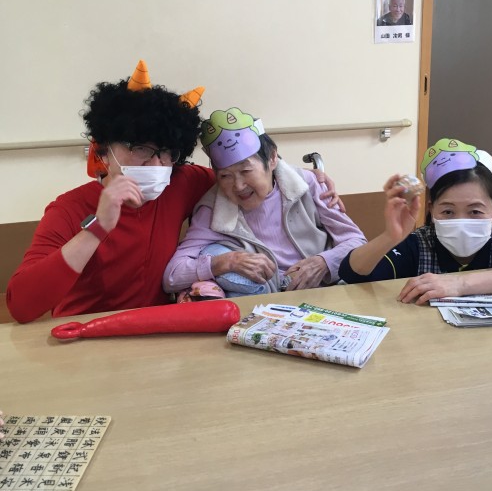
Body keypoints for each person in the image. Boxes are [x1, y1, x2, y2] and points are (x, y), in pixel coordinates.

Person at [7, 63, 342, 324]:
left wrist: (308, 179)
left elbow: (243, 172)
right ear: (104, 151)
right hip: (85, 334)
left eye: (167, 152)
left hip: (159, 329)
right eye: (140, 148)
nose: (156, 164)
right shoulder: (68, 209)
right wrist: (98, 227)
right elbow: (21, 306)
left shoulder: (179, 183)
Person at [163, 106, 367, 296]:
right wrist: (225, 262)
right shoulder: (212, 208)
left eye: (246, 171)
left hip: (324, 294)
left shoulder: (307, 184)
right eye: (225, 176)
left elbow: (357, 242)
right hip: (264, 303)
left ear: (272, 158)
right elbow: (172, 275)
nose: (238, 186)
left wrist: (323, 262)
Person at [338, 137, 492, 304]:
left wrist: (459, 283)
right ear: (431, 210)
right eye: (447, 212)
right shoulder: (420, 244)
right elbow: (353, 273)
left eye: (475, 212)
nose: (461, 222)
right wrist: (390, 236)